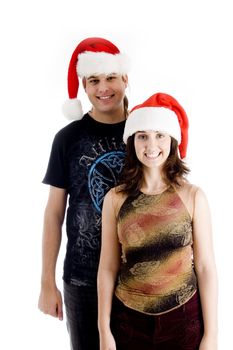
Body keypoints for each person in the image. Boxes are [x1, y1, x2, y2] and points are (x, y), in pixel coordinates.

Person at [97, 92, 218, 350]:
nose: (151, 146)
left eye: (159, 135)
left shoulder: (193, 196)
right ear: (132, 142)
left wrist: (212, 335)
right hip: (129, 321)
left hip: (183, 321)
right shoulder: (115, 199)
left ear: (172, 140)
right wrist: (104, 330)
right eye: (143, 136)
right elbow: (107, 266)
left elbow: (206, 268)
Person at [38, 37, 130, 350]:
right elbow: (53, 212)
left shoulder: (144, 134)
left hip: (137, 278)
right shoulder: (68, 138)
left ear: (125, 79)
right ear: (84, 85)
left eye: (111, 78)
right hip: (82, 279)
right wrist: (46, 282)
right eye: (94, 80)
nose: (103, 88)